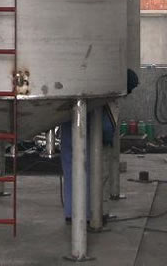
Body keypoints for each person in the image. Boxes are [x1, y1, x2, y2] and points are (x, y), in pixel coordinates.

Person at [60, 68, 139, 223]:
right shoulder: (107, 102)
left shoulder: (83, 89)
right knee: (95, 176)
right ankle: (94, 215)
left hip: (71, 130)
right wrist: (107, 141)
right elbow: (107, 129)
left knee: (71, 173)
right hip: (92, 141)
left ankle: (71, 213)